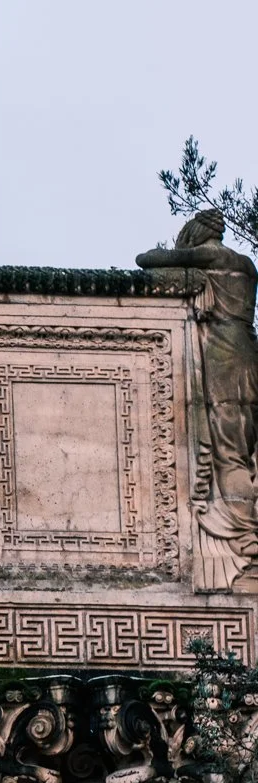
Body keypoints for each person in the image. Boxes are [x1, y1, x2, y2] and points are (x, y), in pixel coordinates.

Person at [140, 210, 258, 588]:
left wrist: (181, 253)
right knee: (243, 444)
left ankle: (244, 537)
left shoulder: (213, 256)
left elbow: (149, 261)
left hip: (221, 355)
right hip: (247, 353)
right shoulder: (246, 264)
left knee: (229, 452)